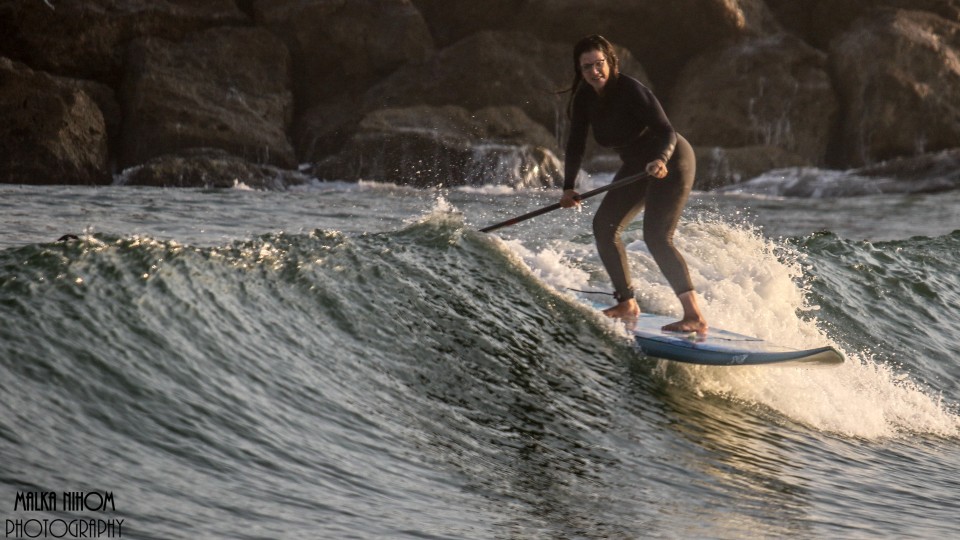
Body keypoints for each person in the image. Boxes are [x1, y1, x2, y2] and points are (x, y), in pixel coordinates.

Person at [560, 34, 707, 333]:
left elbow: (666, 131)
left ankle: (694, 316)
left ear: (610, 62)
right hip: (637, 166)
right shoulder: (584, 99)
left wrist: (661, 160)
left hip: (671, 160)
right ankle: (626, 301)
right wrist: (568, 187)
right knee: (604, 226)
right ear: (580, 70)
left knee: (657, 236)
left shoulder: (631, 90)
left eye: (599, 64)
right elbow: (575, 145)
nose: (594, 72)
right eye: (586, 67)